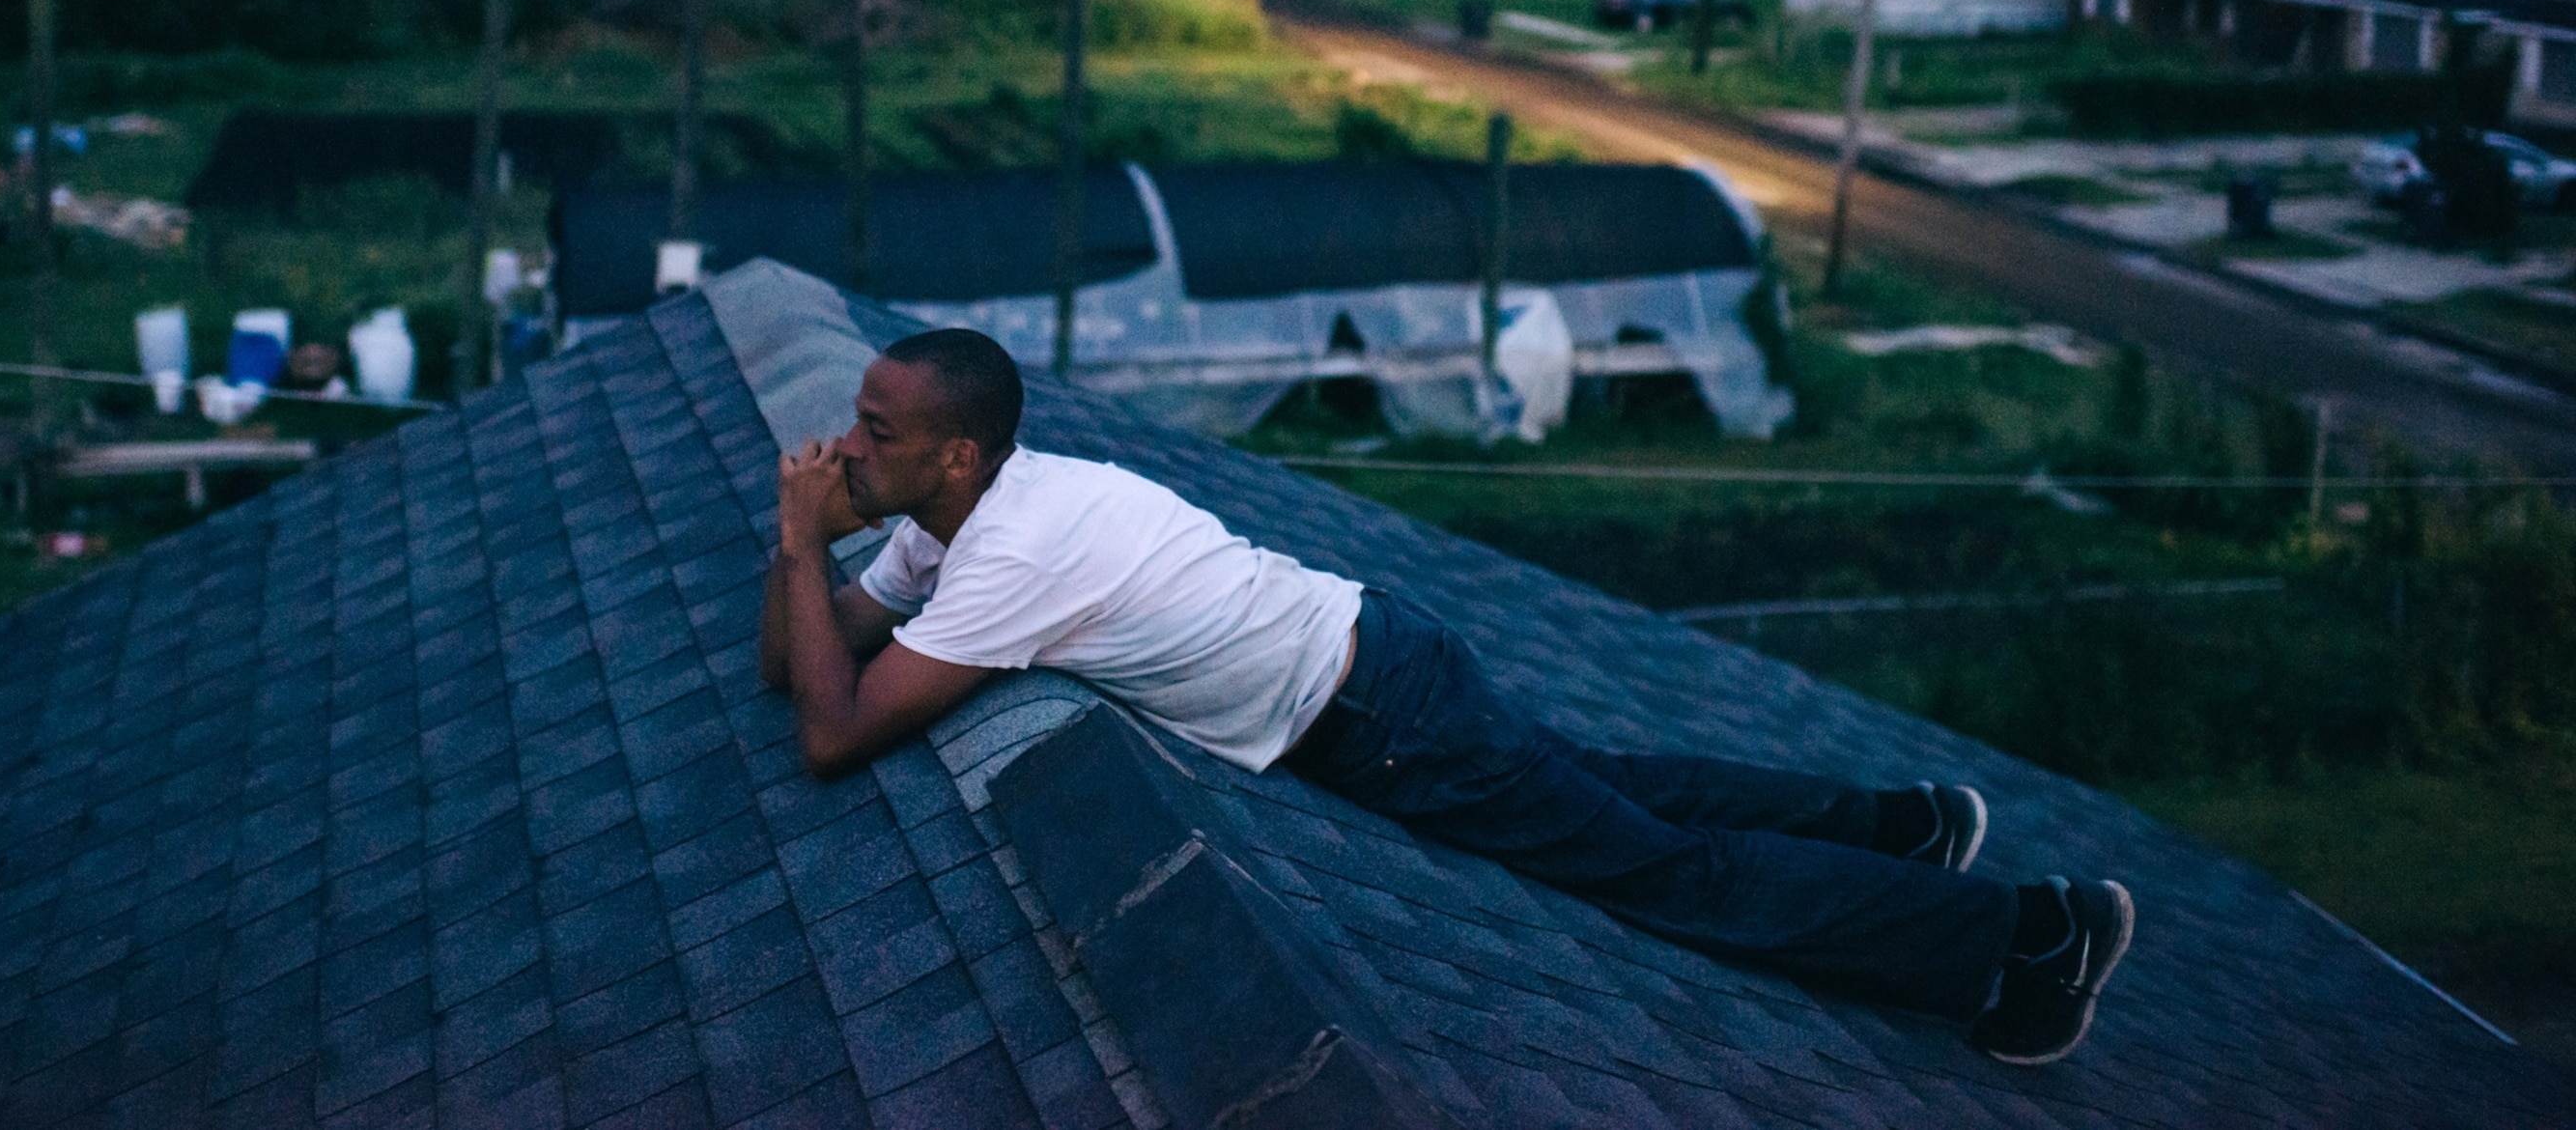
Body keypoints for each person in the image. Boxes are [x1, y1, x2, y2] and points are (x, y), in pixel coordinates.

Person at [758, 328, 2135, 1065]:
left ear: (957, 450)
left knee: (1666, 874)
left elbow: (832, 729)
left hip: (1379, 711)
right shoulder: (956, 517)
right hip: (1372, 665)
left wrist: (795, 539)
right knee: (1612, 787)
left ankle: (2017, 942)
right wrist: (819, 549)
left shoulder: (1011, 552)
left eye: (877, 433)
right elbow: (805, 658)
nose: (850, 448)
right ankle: (1903, 826)